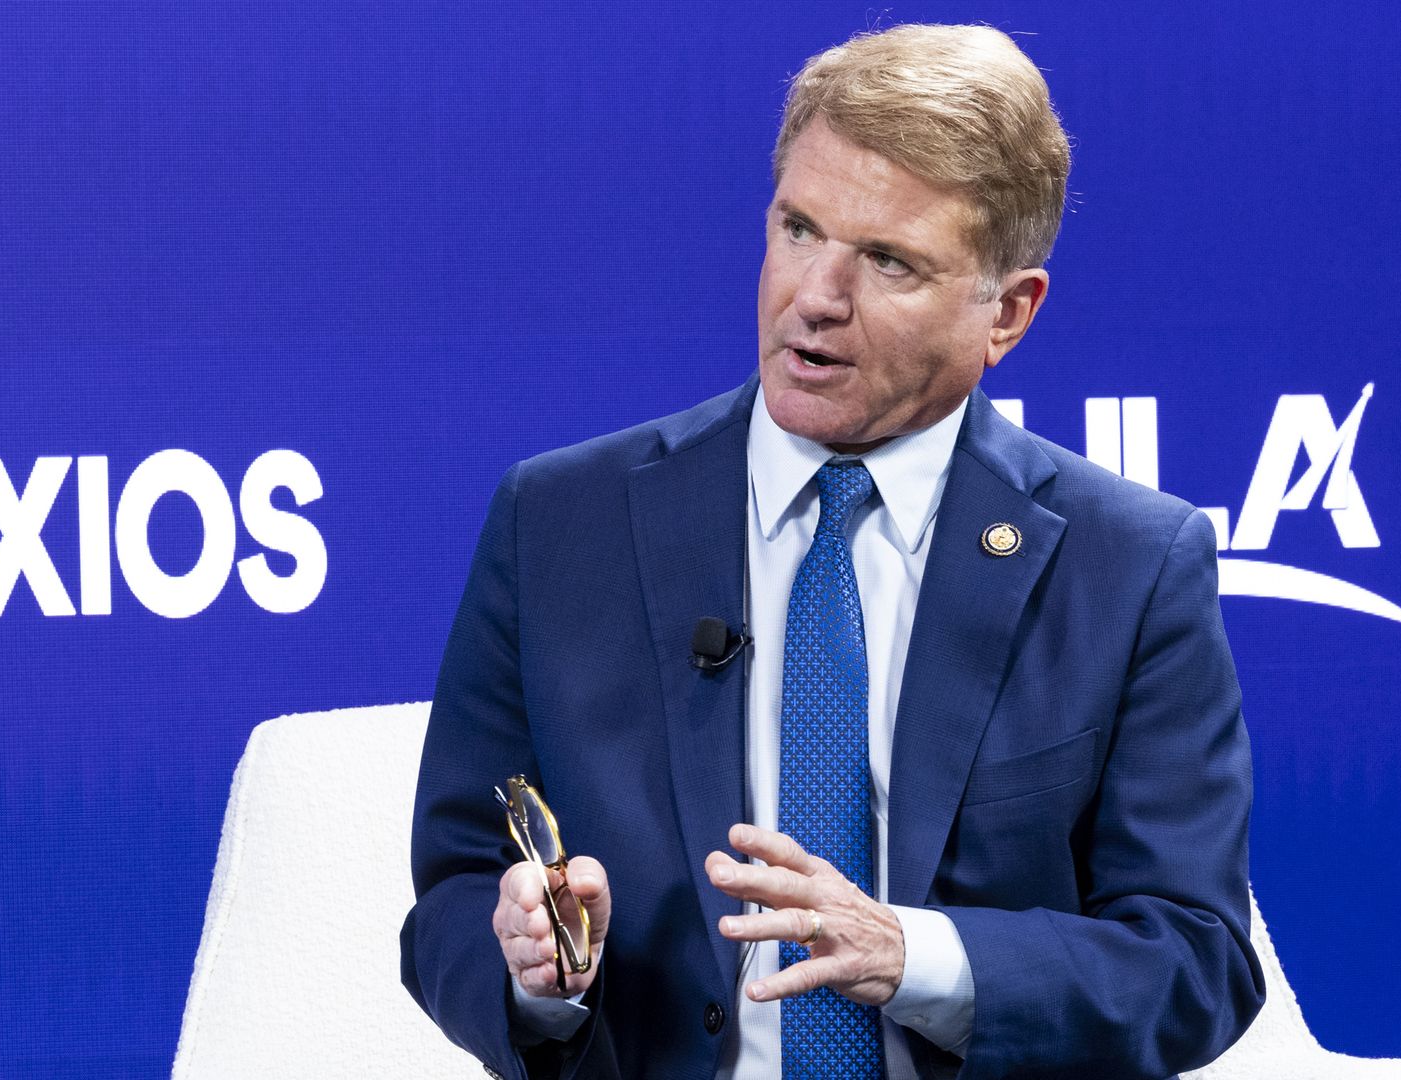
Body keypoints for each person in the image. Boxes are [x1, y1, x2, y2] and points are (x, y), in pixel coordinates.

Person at [402, 23, 1264, 1080]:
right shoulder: (561, 523)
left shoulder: (1128, 567)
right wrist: (535, 979)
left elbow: (1195, 962)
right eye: (799, 229)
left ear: (1008, 313)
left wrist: (919, 957)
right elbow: (451, 891)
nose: (815, 296)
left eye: (890, 261)